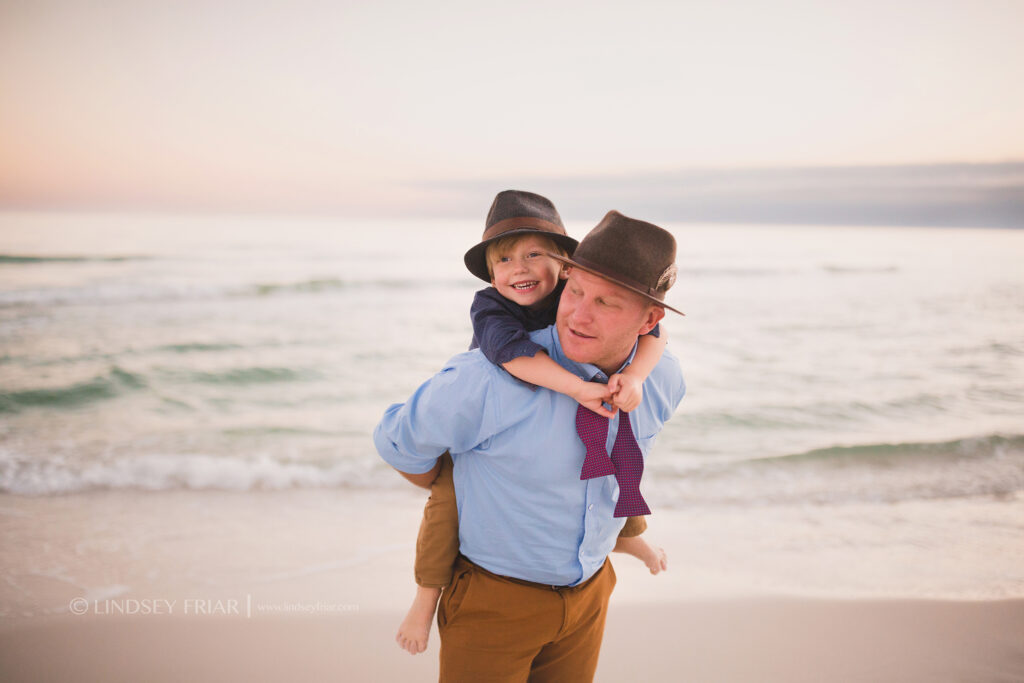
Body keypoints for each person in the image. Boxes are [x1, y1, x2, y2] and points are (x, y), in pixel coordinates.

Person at [374, 209, 686, 681]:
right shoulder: (487, 379)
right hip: (493, 603)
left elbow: (623, 467)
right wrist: (451, 482)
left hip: (591, 597)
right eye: (576, 291)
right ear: (566, 279)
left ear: (650, 319)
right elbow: (398, 440)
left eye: (607, 303)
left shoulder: (662, 379)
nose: (578, 315)